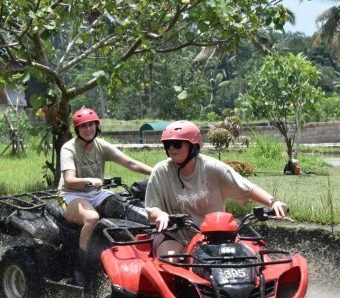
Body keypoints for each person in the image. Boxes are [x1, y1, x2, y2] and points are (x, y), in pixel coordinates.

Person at [145, 120, 288, 257]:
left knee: (250, 258)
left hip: (216, 236)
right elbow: (152, 209)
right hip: (176, 236)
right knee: (170, 260)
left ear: (193, 146)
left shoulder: (213, 168)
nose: (171, 148)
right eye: (167, 144)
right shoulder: (160, 171)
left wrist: (273, 202)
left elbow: (246, 188)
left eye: (176, 144)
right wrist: (161, 215)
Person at [58, 107, 153, 285]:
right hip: (70, 195)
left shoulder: (101, 145)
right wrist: (89, 181)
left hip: (96, 193)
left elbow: (131, 163)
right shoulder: (68, 148)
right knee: (92, 218)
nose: (88, 129)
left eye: (91, 125)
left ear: (97, 126)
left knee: (124, 206)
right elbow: (69, 180)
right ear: (77, 129)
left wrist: (156, 173)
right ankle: (81, 266)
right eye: (83, 126)